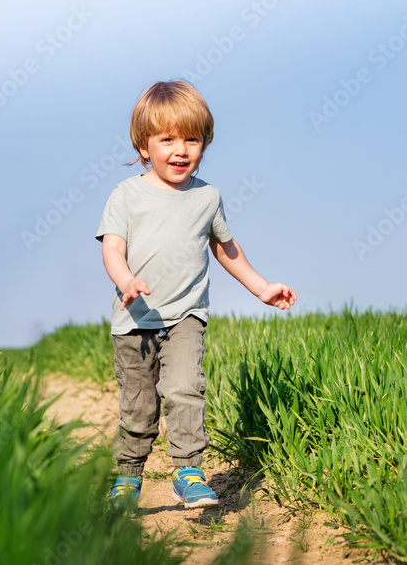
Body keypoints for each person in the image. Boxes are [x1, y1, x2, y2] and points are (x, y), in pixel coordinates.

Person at [96, 80, 296, 509]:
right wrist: (127, 280)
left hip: (186, 315)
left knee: (186, 388)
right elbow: (111, 247)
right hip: (135, 323)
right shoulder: (127, 195)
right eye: (167, 139)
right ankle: (127, 477)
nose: (180, 150)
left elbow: (225, 248)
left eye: (192, 138)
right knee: (139, 408)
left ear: (205, 142)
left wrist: (262, 288)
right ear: (144, 146)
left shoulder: (208, 196)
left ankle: (188, 471)